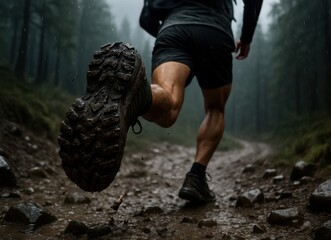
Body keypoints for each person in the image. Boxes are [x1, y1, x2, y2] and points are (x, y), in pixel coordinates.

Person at [58, 0, 263, 203]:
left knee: (167, 106)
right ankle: (196, 176)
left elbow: (146, 19)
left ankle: (140, 96)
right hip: (215, 32)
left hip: (173, 31)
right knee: (215, 109)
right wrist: (246, 38)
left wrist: (173, 31)